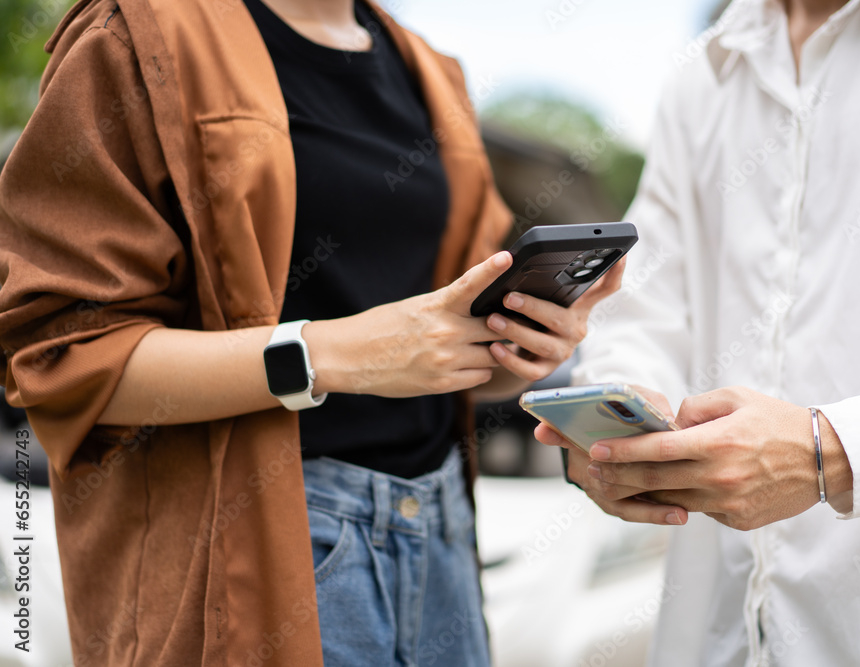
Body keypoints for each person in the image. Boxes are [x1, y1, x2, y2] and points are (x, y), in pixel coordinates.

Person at [0, 0, 621, 665]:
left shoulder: (429, 70)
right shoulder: (138, 34)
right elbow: (61, 356)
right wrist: (331, 354)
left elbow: (432, 348)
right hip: (259, 543)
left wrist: (514, 347)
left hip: (441, 534)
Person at [537, 0, 860, 664]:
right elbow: (644, 311)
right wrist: (617, 423)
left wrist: (828, 451)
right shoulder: (705, 74)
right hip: (713, 634)